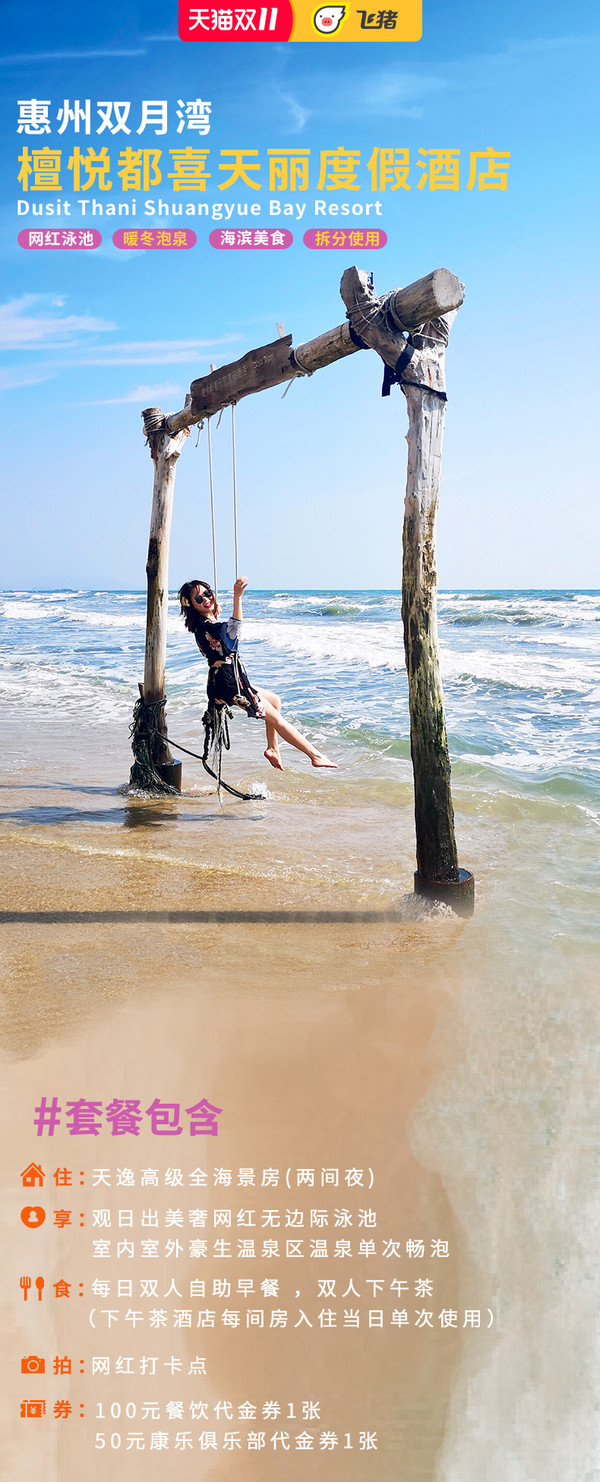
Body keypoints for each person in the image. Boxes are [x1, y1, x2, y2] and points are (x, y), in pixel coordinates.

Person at [178, 577, 337, 771]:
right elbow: (233, 630)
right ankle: (315, 756)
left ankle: (272, 749)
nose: (206, 599)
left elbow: (224, 631)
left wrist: (215, 610)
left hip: (231, 678)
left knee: (275, 700)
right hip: (227, 683)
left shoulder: (208, 621)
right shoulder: (205, 625)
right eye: (199, 599)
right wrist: (238, 597)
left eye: (207, 593)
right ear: (192, 606)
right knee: (276, 720)